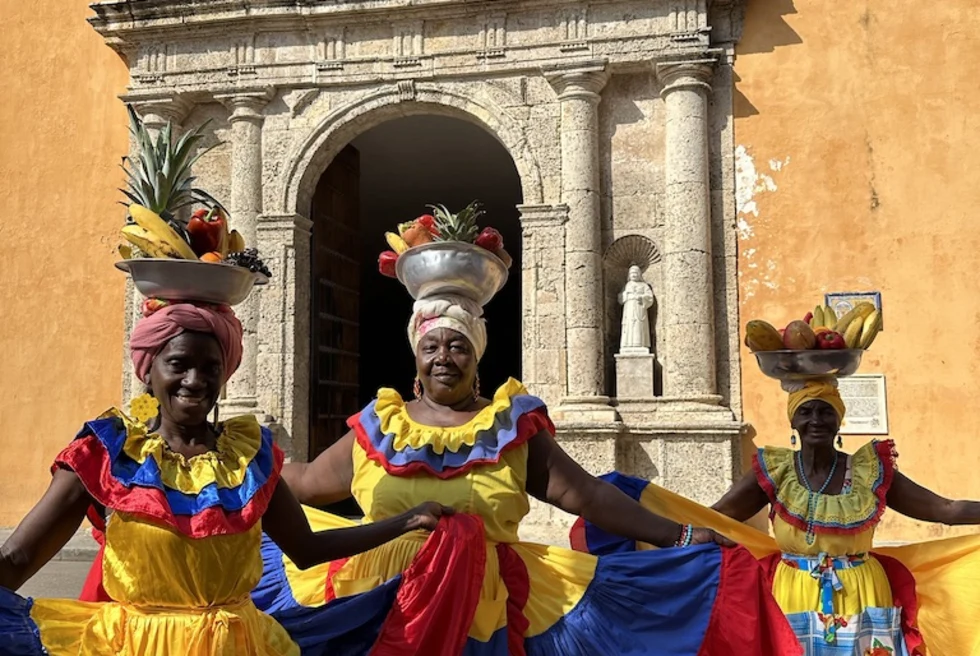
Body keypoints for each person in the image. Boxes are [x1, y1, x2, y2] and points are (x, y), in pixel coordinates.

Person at [248, 286, 802, 655]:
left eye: (459, 346)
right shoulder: (379, 426)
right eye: (432, 345)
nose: (444, 356)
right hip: (376, 595)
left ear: (477, 356)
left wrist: (679, 533)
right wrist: (239, 461)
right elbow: (303, 482)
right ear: (416, 356)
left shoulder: (510, 429)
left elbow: (585, 496)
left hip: (485, 602)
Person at [0, 300, 449, 656]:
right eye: (178, 364)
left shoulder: (248, 459)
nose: (195, 381)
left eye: (210, 367)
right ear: (149, 370)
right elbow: (19, 557)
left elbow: (309, 549)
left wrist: (405, 522)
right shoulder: (107, 454)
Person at [570, 379, 980, 655]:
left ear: (840, 419)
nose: (816, 420)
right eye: (807, 412)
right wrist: (658, 529)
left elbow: (943, 509)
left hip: (863, 592)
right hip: (792, 591)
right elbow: (716, 517)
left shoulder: (873, 470)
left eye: (825, 411)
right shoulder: (776, 470)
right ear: (793, 420)